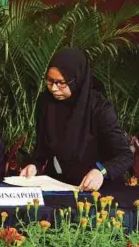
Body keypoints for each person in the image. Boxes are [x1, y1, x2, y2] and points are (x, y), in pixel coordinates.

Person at [20, 49, 133, 191]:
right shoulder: (46, 103)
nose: (54, 88)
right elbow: (42, 150)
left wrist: (102, 171)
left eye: (61, 82)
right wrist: (34, 166)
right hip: (62, 186)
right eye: (49, 81)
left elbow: (125, 156)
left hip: (101, 189)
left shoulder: (100, 108)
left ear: (77, 79)